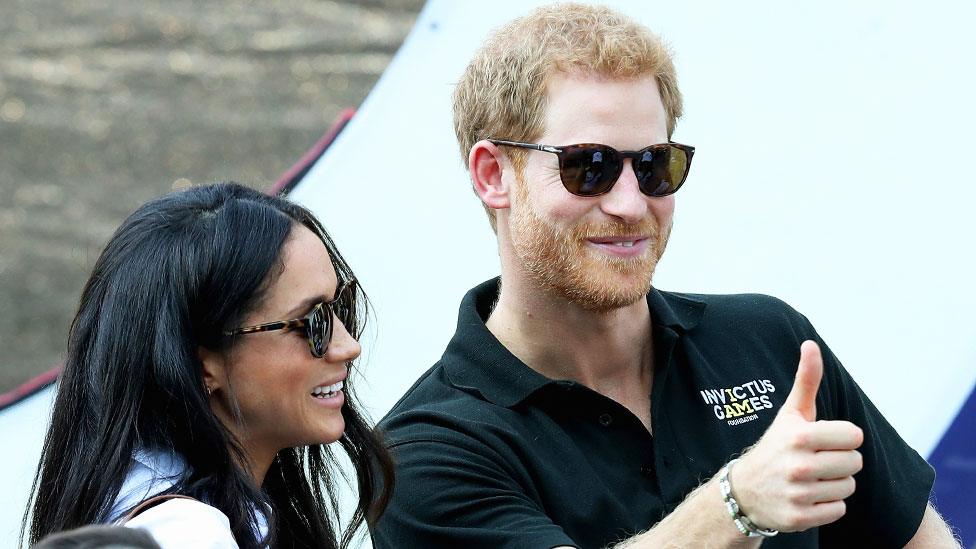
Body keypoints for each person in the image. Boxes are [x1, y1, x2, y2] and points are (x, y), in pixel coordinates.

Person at [372, 4, 960, 548]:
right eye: (590, 167)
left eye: (655, 165)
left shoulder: (770, 342)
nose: (630, 204)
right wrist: (737, 503)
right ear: (492, 174)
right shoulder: (422, 452)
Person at [23, 183, 393, 548]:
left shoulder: (139, 499)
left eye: (340, 306)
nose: (348, 346)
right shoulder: (188, 535)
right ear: (199, 365)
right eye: (312, 322)